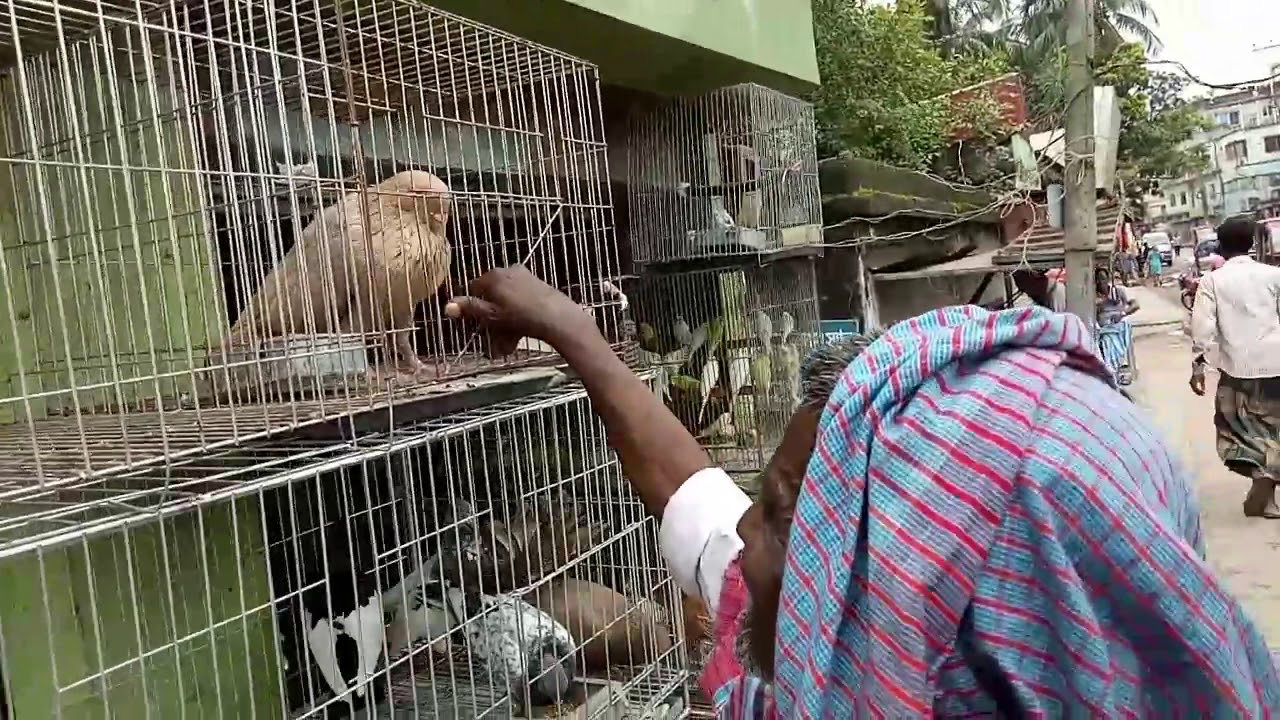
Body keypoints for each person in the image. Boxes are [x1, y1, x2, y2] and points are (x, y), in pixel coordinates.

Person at [446, 265, 1279, 716]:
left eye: (784, 521)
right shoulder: (847, 632)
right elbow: (695, 497)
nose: (749, 547)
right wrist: (573, 332)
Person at [1189, 217, 1280, 519]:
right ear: (1253, 244)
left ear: (1221, 245)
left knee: (1240, 430)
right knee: (1275, 429)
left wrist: (1198, 366)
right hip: (1276, 363)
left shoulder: (1212, 281)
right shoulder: (1273, 275)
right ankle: (1267, 492)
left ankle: (1262, 482)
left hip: (1238, 370)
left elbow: (1202, 328)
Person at [1094, 267, 1139, 383]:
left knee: (1120, 330)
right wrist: (1102, 303)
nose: (1101, 282)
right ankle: (1113, 369)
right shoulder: (1094, 297)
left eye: (1103, 279)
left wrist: (1122, 313)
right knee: (1106, 340)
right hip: (1105, 329)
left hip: (1119, 325)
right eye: (1098, 279)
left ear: (1108, 279)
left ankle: (1116, 367)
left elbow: (1135, 304)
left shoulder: (1118, 292)